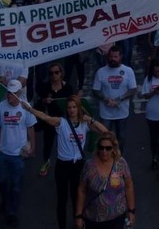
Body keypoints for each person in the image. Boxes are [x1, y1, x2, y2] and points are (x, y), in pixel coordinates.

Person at [23, 95, 108, 229]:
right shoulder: (61, 122)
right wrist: (30, 109)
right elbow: (45, 117)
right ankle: (62, 226)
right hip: (63, 165)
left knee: (77, 197)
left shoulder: (85, 124)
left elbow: (105, 132)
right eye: (69, 107)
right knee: (62, 199)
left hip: (78, 165)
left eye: (74, 107)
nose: (72, 110)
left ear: (79, 108)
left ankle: (78, 223)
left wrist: (90, 119)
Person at [0, 79, 35, 227]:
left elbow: (30, 128)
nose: (9, 96)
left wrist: (32, 146)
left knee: (16, 185)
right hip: (3, 151)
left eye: (12, 93)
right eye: (8, 93)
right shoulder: (0, 107)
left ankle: (12, 213)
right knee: (0, 181)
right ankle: (6, 200)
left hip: (18, 154)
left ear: (19, 94)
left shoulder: (26, 107)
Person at [75, 131, 135, 229]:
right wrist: (78, 216)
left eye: (108, 148)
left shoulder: (121, 163)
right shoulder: (89, 166)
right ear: (97, 148)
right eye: (101, 148)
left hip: (117, 217)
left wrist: (131, 211)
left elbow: (129, 186)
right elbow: (81, 190)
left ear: (113, 149)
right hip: (94, 218)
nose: (104, 151)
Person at [91, 44, 137, 153]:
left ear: (121, 57)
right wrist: (106, 99)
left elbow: (133, 90)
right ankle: (105, 156)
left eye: (115, 57)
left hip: (122, 111)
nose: (112, 59)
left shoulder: (128, 71)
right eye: (111, 56)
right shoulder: (101, 72)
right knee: (104, 136)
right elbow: (95, 90)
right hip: (106, 112)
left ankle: (118, 157)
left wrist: (119, 99)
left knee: (121, 136)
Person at [34, 61, 74, 179]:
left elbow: (73, 103)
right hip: (49, 120)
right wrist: (44, 101)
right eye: (51, 73)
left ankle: (68, 162)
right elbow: (38, 102)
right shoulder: (45, 87)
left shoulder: (68, 87)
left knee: (66, 142)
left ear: (61, 73)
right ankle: (46, 162)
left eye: (57, 72)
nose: (54, 75)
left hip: (64, 120)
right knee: (48, 143)